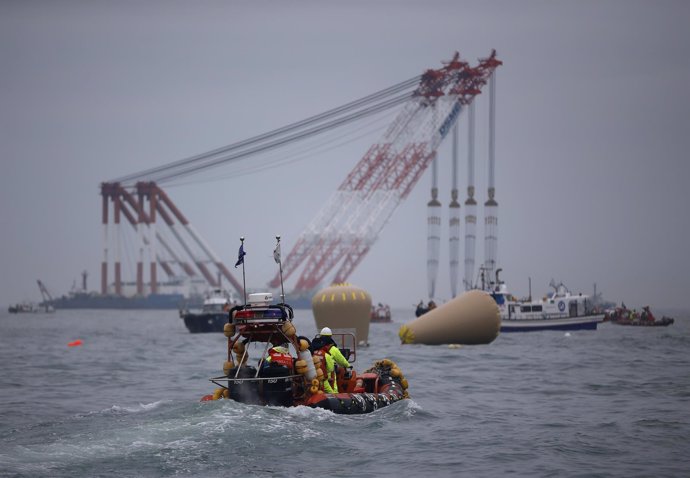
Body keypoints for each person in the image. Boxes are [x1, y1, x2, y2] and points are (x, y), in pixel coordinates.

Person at [310, 327, 350, 393]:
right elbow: (341, 361)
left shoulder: (313, 347)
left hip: (313, 375)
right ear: (330, 336)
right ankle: (336, 397)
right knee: (333, 387)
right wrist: (348, 365)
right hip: (326, 376)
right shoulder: (332, 349)